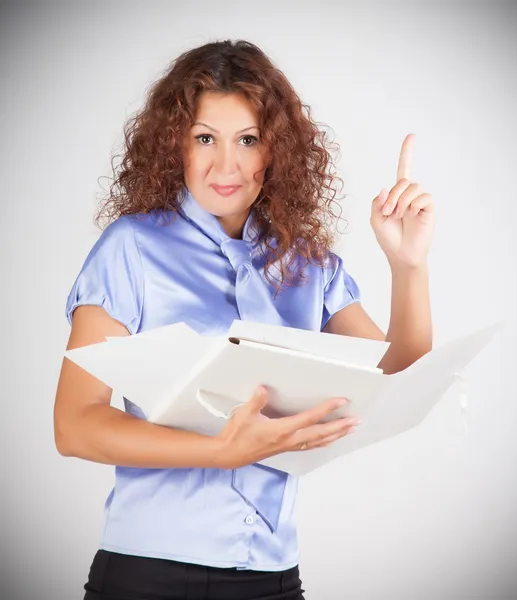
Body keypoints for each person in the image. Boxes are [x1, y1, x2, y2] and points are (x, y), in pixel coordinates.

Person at [54, 39, 434, 600]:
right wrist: (219, 452)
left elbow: (398, 382)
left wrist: (408, 266)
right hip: (152, 574)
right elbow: (75, 425)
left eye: (248, 140)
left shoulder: (307, 262)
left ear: (274, 150)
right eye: (205, 137)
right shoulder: (131, 249)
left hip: (274, 578)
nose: (225, 165)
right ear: (173, 144)